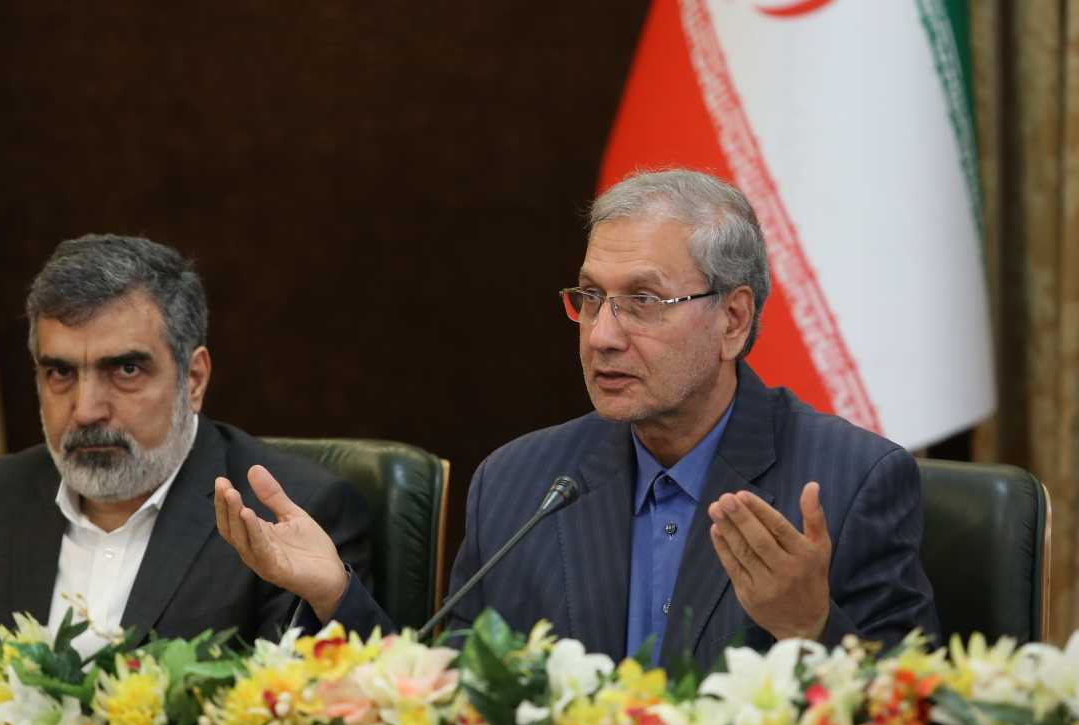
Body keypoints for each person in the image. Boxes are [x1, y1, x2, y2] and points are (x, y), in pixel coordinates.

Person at [215, 168, 940, 669]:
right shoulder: (521, 481)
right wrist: (334, 594)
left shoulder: (851, 480)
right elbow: (451, 700)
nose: (602, 335)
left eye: (643, 301)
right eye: (590, 298)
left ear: (733, 320)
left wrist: (811, 627)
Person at [0, 234, 369, 657]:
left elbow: (316, 713)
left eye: (125, 370)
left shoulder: (293, 518)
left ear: (194, 379)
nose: (86, 410)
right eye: (60, 373)